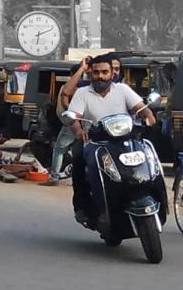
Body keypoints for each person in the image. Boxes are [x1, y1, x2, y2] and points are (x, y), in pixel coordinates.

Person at [63, 54, 155, 224]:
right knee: (78, 157)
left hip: (124, 140)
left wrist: (148, 116)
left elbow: (141, 108)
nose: (100, 76)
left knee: (147, 158)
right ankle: (82, 206)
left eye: (105, 72)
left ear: (112, 73)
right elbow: (73, 117)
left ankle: (154, 194)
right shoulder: (83, 93)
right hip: (95, 142)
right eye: (96, 72)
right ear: (90, 74)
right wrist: (78, 131)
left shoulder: (122, 90)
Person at [43, 57, 91, 186]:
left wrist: (72, 115)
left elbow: (65, 102)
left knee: (59, 149)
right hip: (79, 123)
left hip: (72, 123)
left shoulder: (75, 88)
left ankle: (54, 177)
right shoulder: (87, 87)